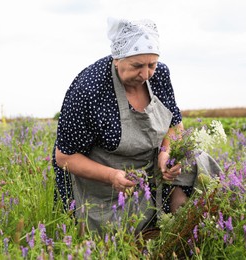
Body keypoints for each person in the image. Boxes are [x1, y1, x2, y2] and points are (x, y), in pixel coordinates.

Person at [52, 17, 191, 234]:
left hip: (151, 165)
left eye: (151, 65)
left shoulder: (160, 75)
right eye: (137, 66)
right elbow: (65, 157)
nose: (145, 75)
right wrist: (111, 176)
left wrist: (166, 152)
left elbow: (175, 125)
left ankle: (180, 231)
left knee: (196, 161)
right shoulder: (89, 89)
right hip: (104, 175)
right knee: (116, 234)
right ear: (117, 58)